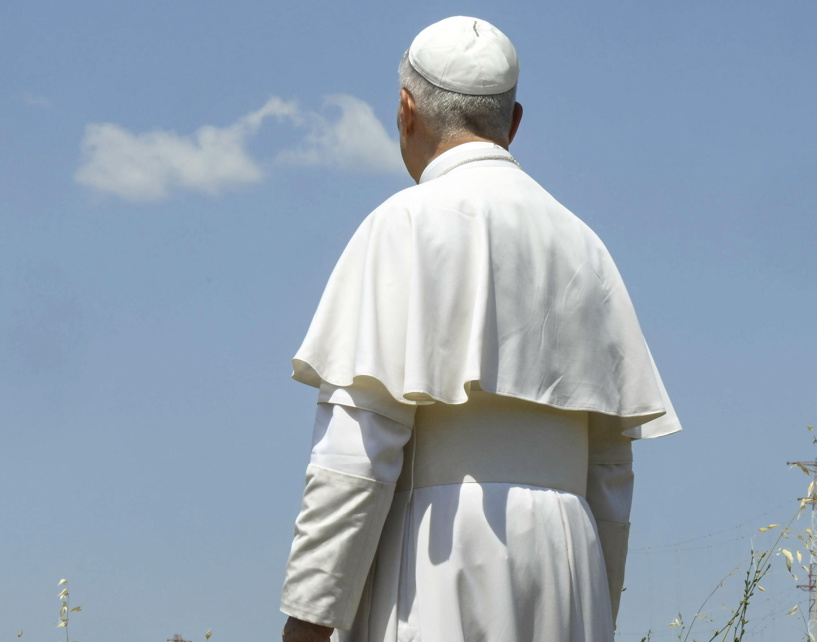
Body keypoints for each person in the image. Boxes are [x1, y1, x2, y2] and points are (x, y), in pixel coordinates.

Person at [278, 16, 681, 642]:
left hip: (441, 554)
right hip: (568, 566)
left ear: (406, 110)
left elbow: (357, 453)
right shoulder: (585, 245)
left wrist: (308, 621)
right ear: (513, 122)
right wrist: (595, 610)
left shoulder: (403, 224)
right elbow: (609, 472)